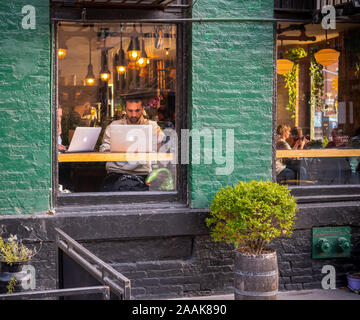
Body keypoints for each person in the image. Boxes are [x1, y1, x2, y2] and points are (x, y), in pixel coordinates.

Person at [99, 96, 166, 192]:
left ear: (142, 109)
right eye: (130, 111)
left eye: (137, 110)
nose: (134, 114)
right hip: (116, 173)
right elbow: (104, 149)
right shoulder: (113, 126)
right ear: (125, 110)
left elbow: (163, 146)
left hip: (143, 173)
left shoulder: (152, 126)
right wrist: (119, 150)